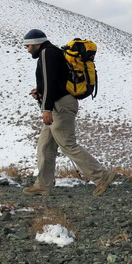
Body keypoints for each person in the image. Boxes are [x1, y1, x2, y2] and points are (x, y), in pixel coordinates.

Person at [21, 29, 117, 197]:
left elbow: (50, 82)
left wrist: (46, 108)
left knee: (68, 144)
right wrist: (40, 92)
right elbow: (55, 81)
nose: (28, 49)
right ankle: (43, 185)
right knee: (45, 146)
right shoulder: (52, 53)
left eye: (28, 46)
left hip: (60, 106)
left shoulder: (46, 53)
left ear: (36, 44)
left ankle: (102, 176)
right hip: (59, 104)